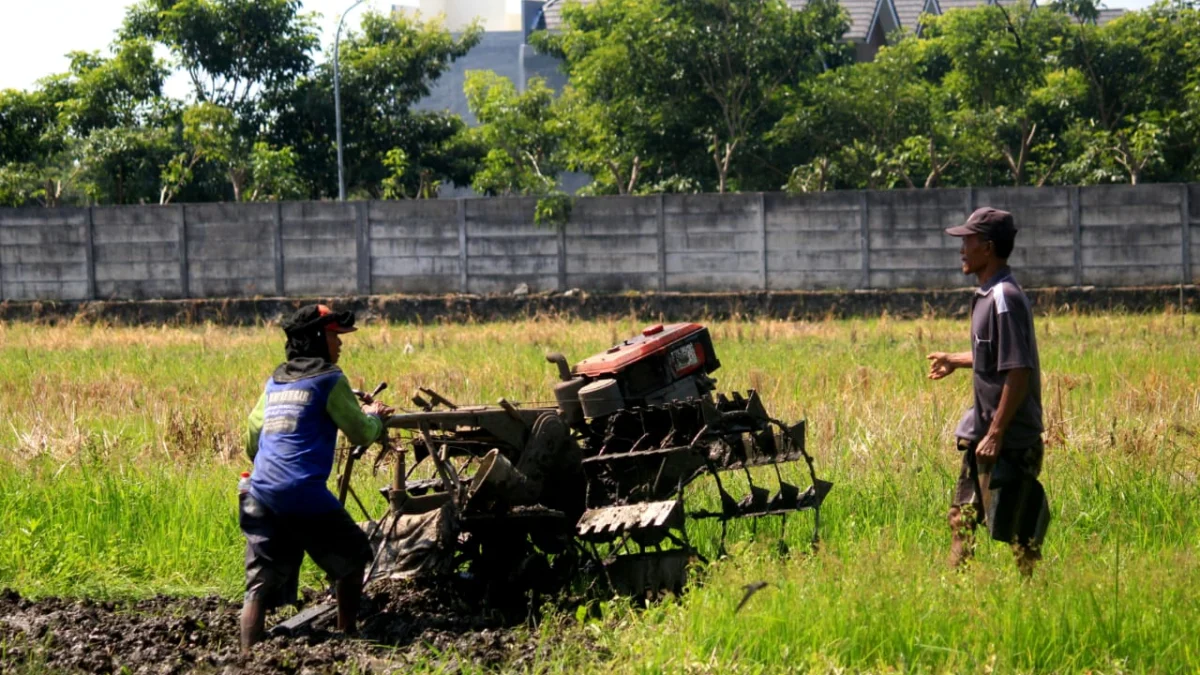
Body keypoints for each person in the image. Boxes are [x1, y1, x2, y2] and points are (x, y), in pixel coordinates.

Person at [239, 304, 393, 653]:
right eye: (334, 336)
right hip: (302, 490)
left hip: (259, 491)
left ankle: (248, 656)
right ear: (316, 339)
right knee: (354, 557)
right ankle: (348, 636)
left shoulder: (276, 381)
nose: (339, 344)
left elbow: (252, 434)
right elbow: (360, 432)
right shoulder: (330, 378)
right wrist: (375, 417)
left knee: (258, 584)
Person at [926, 208, 1046, 575]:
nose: (962, 248)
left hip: (1008, 439)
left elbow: (1018, 370)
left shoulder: (1004, 299)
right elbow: (992, 355)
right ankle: (956, 596)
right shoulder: (988, 295)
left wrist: (996, 433)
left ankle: (1034, 601)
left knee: (1018, 533)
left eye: (968, 240)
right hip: (983, 436)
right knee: (960, 519)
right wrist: (955, 359)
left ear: (988, 247)